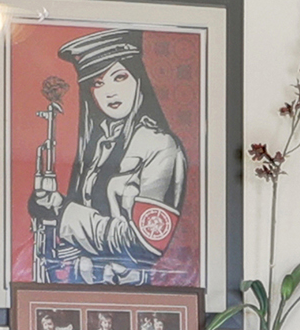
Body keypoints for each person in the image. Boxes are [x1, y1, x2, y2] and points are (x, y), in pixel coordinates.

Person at [31, 29, 191, 286]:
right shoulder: (98, 144)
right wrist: (50, 203)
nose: (109, 92)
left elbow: (144, 243)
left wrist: (65, 212)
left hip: (129, 293)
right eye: (98, 83)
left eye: (119, 77)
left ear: (138, 79)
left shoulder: (160, 146)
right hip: (81, 287)